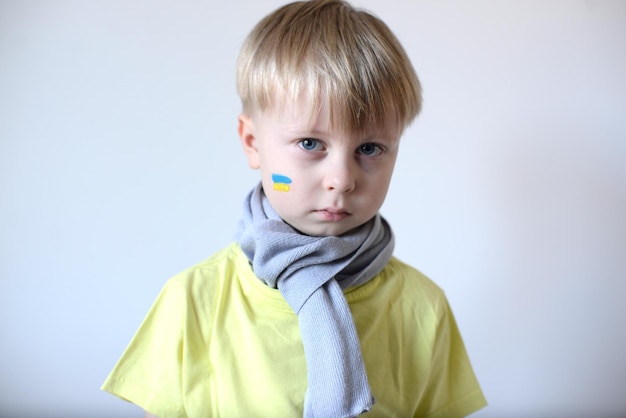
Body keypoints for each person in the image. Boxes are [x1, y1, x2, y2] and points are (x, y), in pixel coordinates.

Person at [102, 0, 487, 417]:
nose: (341, 179)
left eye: (369, 148)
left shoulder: (423, 307)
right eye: (310, 143)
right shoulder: (194, 301)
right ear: (252, 142)